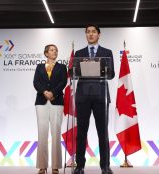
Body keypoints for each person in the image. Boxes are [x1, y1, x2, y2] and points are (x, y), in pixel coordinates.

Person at [72, 24, 115, 174]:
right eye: (88, 32)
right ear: (85, 34)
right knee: (81, 133)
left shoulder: (107, 52)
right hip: (83, 96)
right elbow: (73, 73)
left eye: (93, 32)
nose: (91, 34)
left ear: (99, 34)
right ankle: (79, 166)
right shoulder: (78, 53)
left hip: (100, 96)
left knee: (103, 133)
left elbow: (112, 74)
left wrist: (102, 68)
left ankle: (105, 166)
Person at [33, 44, 67, 174]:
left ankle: (55, 166)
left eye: (56, 50)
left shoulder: (62, 67)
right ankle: (42, 166)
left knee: (56, 133)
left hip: (57, 101)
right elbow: (36, 82)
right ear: (46, 53)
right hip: (41, 102)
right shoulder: (39, 67)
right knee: (42, 133)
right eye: (52, 50)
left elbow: (63, 82)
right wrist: (44, 92)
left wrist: (53, 92)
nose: (55, 52)